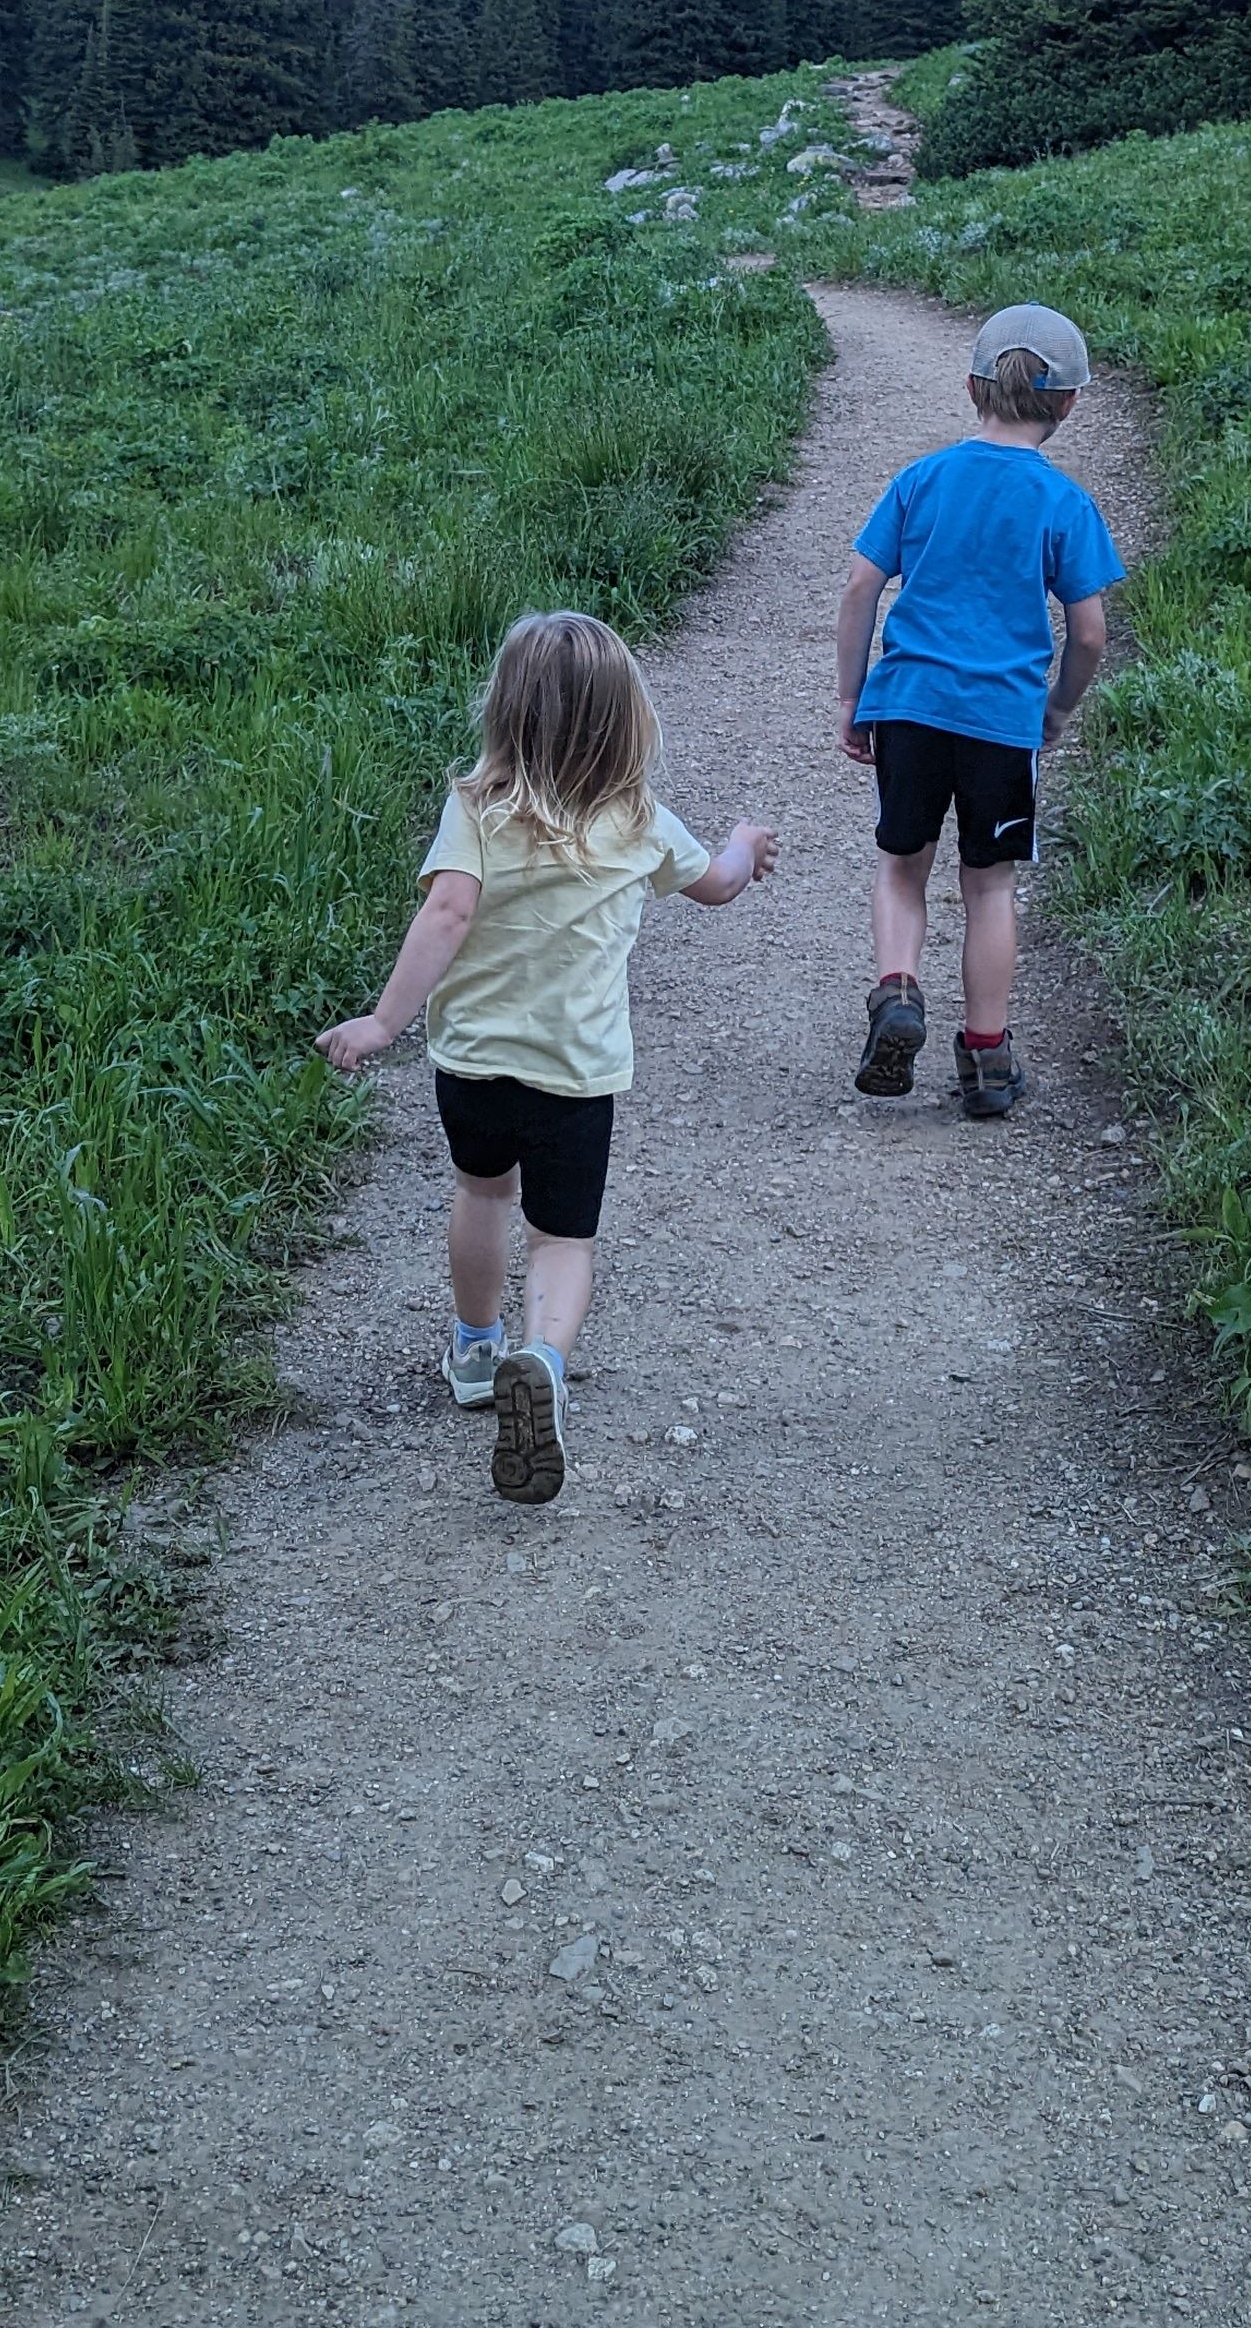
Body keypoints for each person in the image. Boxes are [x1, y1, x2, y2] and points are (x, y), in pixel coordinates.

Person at [318, 609, 778, 1506]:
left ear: (507, 712)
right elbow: (717, 886)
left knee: (482, 1191)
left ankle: (477, 1348)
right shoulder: (638, 819)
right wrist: (745, 845)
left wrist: (384, 1021)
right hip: (576, 1070)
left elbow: (446, 913)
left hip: (475, 1065)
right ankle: (546, 1362)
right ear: (625, 720)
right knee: (563, 1235)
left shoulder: (478, 810)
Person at [835, 301, 1123, 1120]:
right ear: (1070, 402)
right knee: (989, 886)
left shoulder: (921, 479)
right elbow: (1092, 633)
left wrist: (854, 697)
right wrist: (1058, 710)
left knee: (902, 864)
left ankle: (897, 993)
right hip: (1002, 721)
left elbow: (862, 586)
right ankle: (988, 1060)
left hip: (913, 709)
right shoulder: (1063, 503)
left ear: (971, 387)